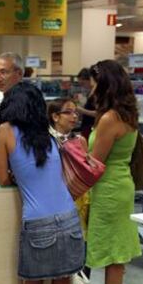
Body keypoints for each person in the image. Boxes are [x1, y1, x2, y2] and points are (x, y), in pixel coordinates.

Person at [0, 82, 85, 284]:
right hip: (69, 218)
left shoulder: (6, 131)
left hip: (38, 223)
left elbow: (1, 178)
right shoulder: (48, 136)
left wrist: (15, 172)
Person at [87, 59, 142, 284]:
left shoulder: (109, 119)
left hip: (108, 189)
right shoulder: (128, 114)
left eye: (94, 83)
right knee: (118, 248)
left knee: (110, 252)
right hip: (121, 185)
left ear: (105, 84)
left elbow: (94, 163)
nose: (91, 89)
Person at [47, 98, 90, 240]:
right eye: (68, 112)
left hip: (77, 198)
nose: (75, 116)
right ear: (55, 116)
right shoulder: (44, 141)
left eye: (76, 112)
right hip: (52, 198)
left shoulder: (80, 141)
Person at [76, 68, 97, 141]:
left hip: (91, 127)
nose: (82, 86)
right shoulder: (91, 92)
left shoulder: (96, 93)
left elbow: (99, 113)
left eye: (83, 83)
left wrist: (82, 110)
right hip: (87, 126)